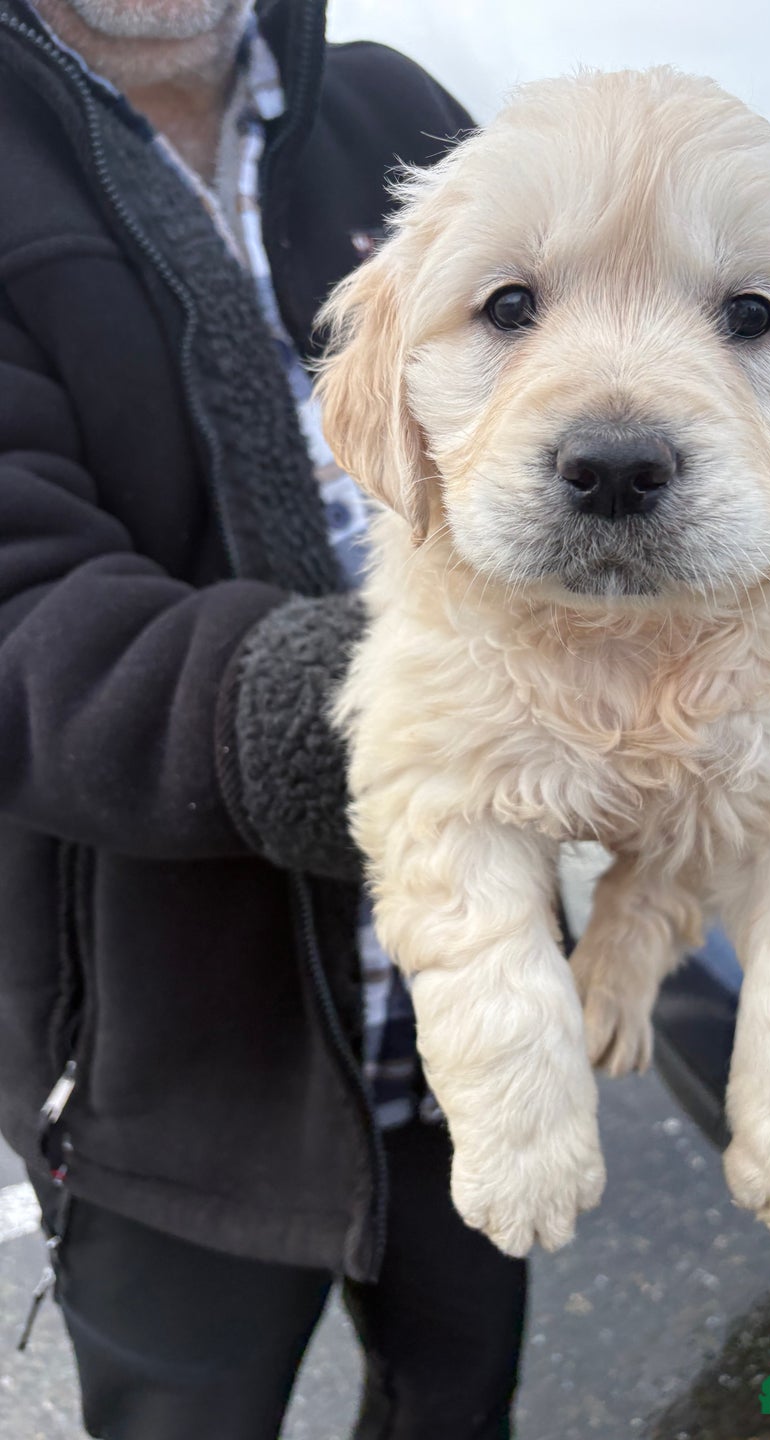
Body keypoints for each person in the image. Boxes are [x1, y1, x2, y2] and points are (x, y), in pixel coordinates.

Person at [0, 1, 527, 1436]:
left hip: (474, 1001)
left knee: (459, 1400)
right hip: (166, 1057)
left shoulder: (400, 110)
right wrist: (411, 717)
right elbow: (24, 616)